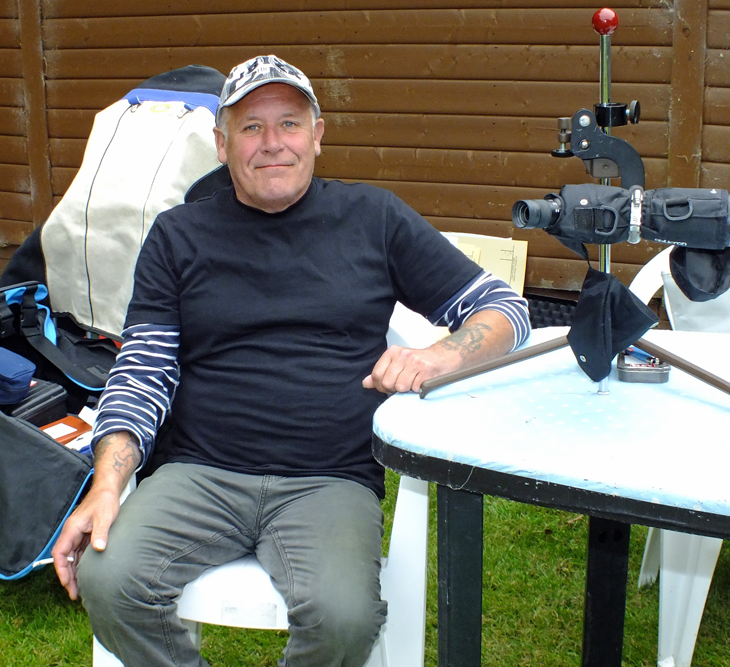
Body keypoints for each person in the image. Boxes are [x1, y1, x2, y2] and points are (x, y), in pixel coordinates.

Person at [53, 54, 531, 667]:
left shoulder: (374, 219)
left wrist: (440, 354)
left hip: (329, 479)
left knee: (345, 620)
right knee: (110, 581)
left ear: (318, 135)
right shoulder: (178, 236)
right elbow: (143, 369)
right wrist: (108, 484)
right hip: (200, 473)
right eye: (251, 127)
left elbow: (504, 308)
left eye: (290, 123)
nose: (272, 144)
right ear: (221, 145)